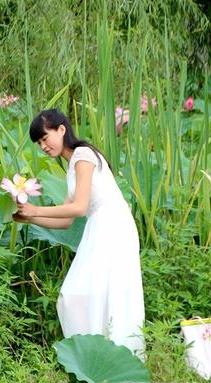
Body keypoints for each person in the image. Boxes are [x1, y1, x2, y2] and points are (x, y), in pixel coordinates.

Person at [14, 108, 145, 356]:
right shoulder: (71, 165)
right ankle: (96, 356)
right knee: (77, 296)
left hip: (112, 225)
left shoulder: (83, 155)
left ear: (61, 129)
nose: (43, 146)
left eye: (45, 138)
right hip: (100, 227)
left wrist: (35, 210)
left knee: (108, 294)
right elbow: (66, 222)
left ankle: (118, 359)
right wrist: (31, 217)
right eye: (39, 142)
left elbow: (78, 207)